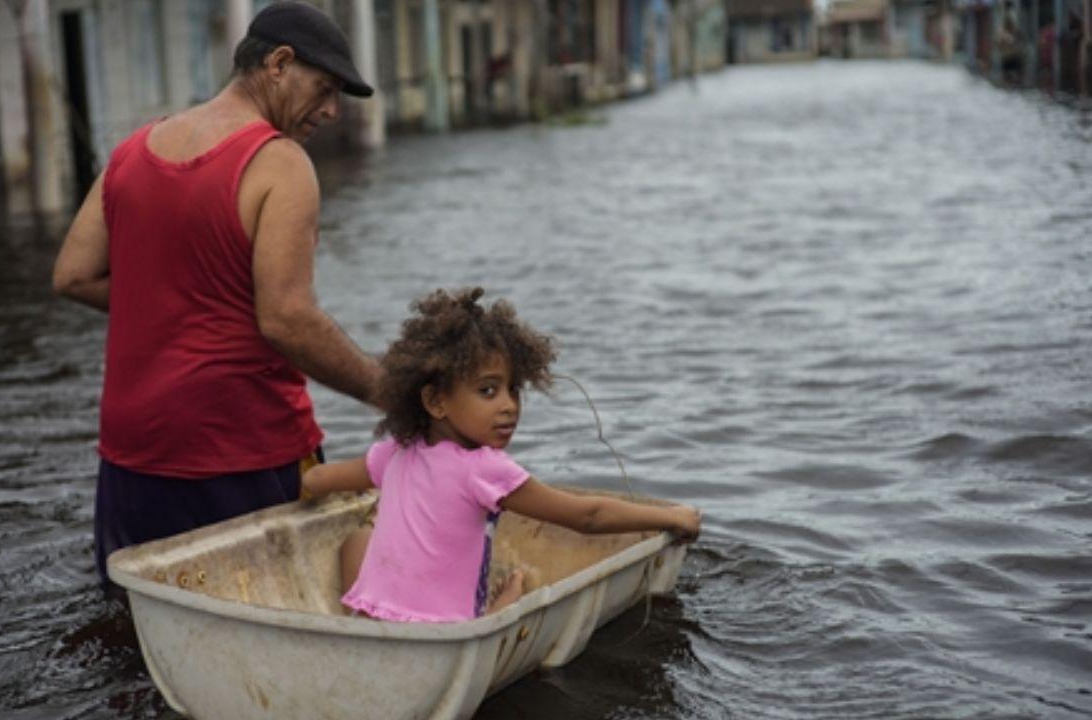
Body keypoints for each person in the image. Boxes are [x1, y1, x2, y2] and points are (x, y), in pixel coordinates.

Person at [51, 1, 382, 589]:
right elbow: (287, 319)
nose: (332, 110)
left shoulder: (132, 150)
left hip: (133, 451)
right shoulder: (280, 163)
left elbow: (73, 275)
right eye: (325, 87)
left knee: (141, 625)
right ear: (279, 64)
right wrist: (392, 393)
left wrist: (176, 301)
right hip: (240, 447)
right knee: (274, 616)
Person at [301, 288, 702, 622]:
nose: (509, 406)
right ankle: (509, 596)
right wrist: (671, 517)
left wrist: (304, 491)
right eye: (489, 391)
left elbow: (317, 481)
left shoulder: (397, 451)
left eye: (514, 390)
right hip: (444, 634)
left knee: (357, 537)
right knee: (503, 596)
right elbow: (587, 516)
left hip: (373, 624)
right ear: (436, 401)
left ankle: (353, 619)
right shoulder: (485, 469)